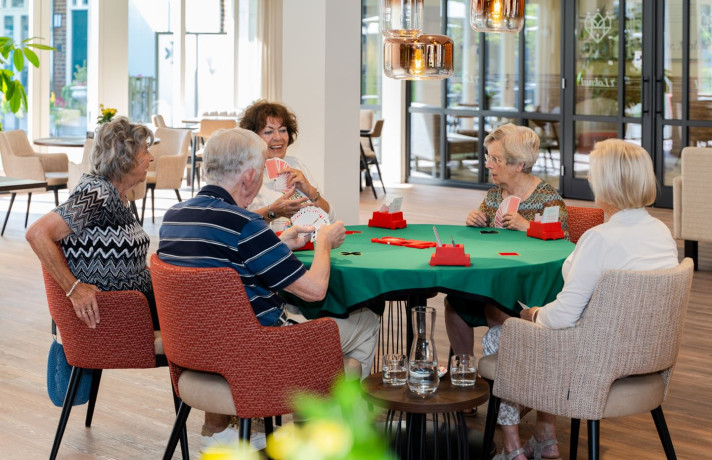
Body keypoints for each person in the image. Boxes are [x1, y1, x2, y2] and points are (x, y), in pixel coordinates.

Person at [157, 127, 379, 452]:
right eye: (261, 170)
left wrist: (278, 242)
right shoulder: (245, 224)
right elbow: (315, 290)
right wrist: (323, 244)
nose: (262, 177)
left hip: (194, 350)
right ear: (248, 176)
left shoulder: (173, 217)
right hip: (256, 355)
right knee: (365, 322)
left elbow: (223, 263)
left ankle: (286, 429)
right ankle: (325, 436)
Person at [487, 139, 679, 460]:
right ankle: (546, 438)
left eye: (593, 173)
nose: (590, 179)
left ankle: (512, 448)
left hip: (594, 365)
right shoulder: (661, 232)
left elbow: (561, 318)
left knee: (500, 336)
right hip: (646, 358)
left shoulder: (600, 239)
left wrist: (533, 315)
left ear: (606, 183)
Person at [445, 123, 569, 358]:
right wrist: (475, 221)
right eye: (487, 157)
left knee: (496, 306)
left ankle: (505, 376)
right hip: (493, 276)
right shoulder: (494, 195)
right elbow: (484, 238)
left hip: (529, 285)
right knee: (454, 304)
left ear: (518, 164)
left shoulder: (548, 199)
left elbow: (563, 248)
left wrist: (528, 227)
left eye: (496, 159)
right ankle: (465, 369)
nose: (487, 164)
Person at [26, 117, 158, 329]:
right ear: (125, 158)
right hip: (115, 311)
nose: (151, 158)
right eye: (145, 151)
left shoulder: (119, 195)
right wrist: (74, 289)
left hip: (136, 303)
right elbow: (37, 233)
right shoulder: (98, 192)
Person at [238, 100, 335, 229]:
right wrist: (272, 212)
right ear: (253, 137)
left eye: (283, 130)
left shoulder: (297, 165)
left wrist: (310, 191)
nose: (278, 137)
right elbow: (235, 224)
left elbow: (331, 218)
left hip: (305, 245)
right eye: (268, 132)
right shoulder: (243, 173)